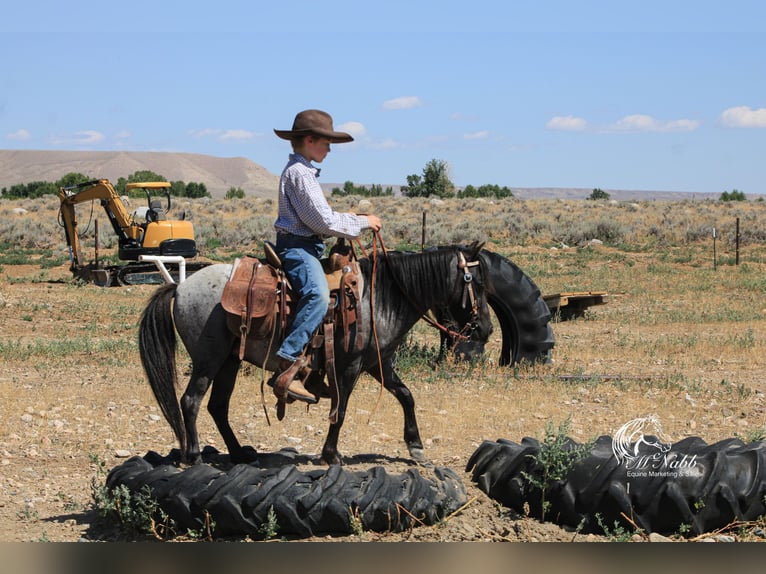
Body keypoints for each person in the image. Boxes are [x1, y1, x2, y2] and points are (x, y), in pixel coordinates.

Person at [270, 109, 382, 404]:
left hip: (307, 246)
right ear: (309, 140)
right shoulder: (299, 174)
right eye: (326, 142)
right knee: (318, 295)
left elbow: (323, 218)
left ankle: (314, 368)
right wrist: (362, 222)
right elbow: (322, 222)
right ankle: (288, 359)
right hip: (297, 248)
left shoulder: (303, 172)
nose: (329, 149)